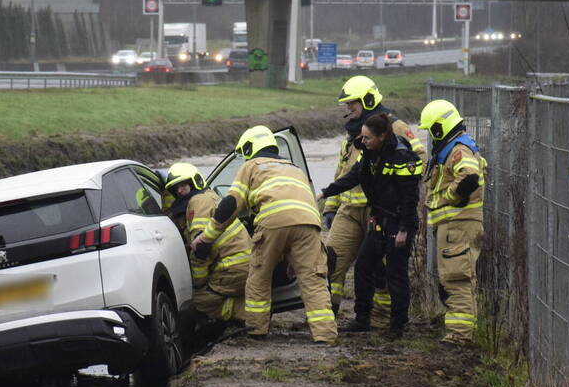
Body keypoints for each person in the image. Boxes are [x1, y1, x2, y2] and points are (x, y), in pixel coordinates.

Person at [191, 126, 337, 343]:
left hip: (272, 222)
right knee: (313, 280)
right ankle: (325, 335)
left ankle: (257, 331)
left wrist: (205, 237)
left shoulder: (251, 166)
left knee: (259, 277)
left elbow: (231, 204)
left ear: (251, 147)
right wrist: (291, 255)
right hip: (309, 224)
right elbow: (299, 206)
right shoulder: (295, 168)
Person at [323, 76, 427, 329]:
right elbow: (343, 171)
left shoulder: (395, 126)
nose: (349, 109)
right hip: (348, 209)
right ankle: (326, 316)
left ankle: (381, 319)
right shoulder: (354, 133)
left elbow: (418, 159)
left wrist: (391, 190)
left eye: (353, 104)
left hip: (380, 211)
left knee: (381, 270)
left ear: (368, 100)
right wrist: (330, 206)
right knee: (332, 261)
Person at [418, 99, 487, 346]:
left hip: (457, 225)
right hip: (457, 225)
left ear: (440, 128)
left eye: (432, 130)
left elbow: (469, 177)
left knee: (455, 279)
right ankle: (465, 332)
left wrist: (449, 198)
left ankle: (458, 337)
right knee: (463, 279)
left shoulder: (458, 150)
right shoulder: (454, 148)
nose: (431, 137)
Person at [164, 162, 251, 325]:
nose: (180, 191)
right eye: (176, 188)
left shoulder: (197, 202)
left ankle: (247, 313)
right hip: (244, 265)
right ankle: (253, 307)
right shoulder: (209, 196)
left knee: (200, 300)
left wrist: (199, 282)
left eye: (183, 185)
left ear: (194, 182)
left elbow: (201, 248)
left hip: (231, 268)